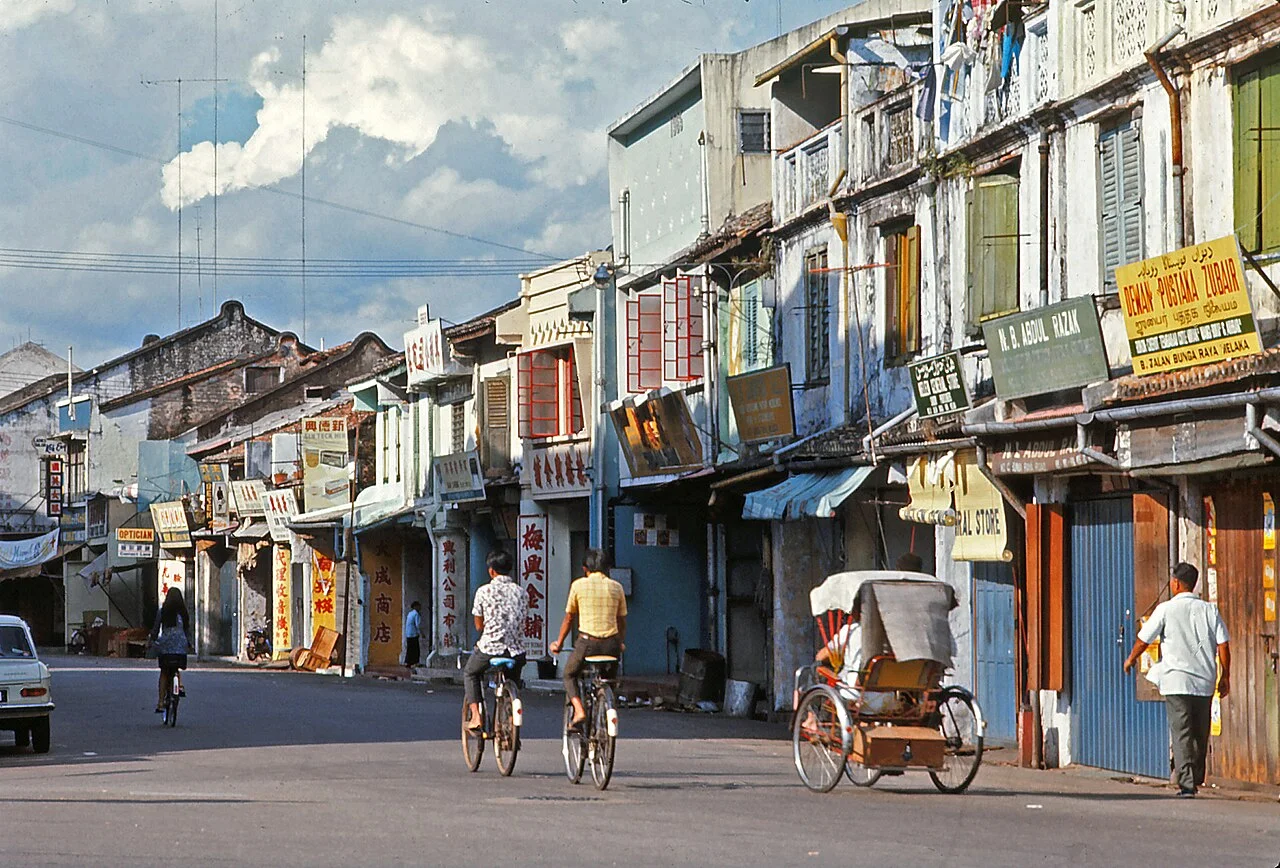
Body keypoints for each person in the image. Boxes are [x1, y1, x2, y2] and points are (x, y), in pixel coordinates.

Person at [1123, 562, 1231, 798]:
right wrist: (1226, 676)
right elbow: (1223, 644)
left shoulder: (1165, 610)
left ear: (1176, 583)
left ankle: (1187, 784)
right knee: (1200, 733)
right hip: (1204, 681)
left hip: (1176, 681)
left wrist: (1131, 659)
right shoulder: (1209, 610)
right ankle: (1196, 776)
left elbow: (1144, 639)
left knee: (1181, 731)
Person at [549, 548, 626, 731]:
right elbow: (621, 621)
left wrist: (558, 644)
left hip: (587, 643)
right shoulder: (617, 587)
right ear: (607, 568)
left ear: (585, 568)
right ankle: (605, 700)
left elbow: (569, 618)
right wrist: (620, 642)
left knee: (569, 674)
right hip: (612, 644)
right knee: (608, 678)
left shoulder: (578, 585)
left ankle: (579, 710)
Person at [463, 550, 527, 732]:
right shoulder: (521, 592)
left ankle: (476, 717)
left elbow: (478, 625)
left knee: (470, 673)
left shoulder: (484, 591)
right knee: (513, 681)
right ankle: (509, 722)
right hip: (516, 651)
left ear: (491, 571)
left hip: (490, 648)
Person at [149, 587, 192, 713]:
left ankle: (161, 702)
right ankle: (180, 685)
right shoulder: (183, 614)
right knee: (176, 668)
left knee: (164, 672)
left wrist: (152, 641)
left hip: (166, 647)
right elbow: (187, 630)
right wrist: (188, 644)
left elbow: (156, 630)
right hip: (180, 646)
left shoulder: (163, 612)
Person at [404, 601, 422, 668]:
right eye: (419, 606)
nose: (420, 607)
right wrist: (421, 633)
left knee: (409, 649)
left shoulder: (410, 613)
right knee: (415, 649)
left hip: (408, 633)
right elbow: (418, 625)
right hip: (414, 634)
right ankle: (415, 662)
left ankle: (408, 662)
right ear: (415, 606)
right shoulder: (416, 614)